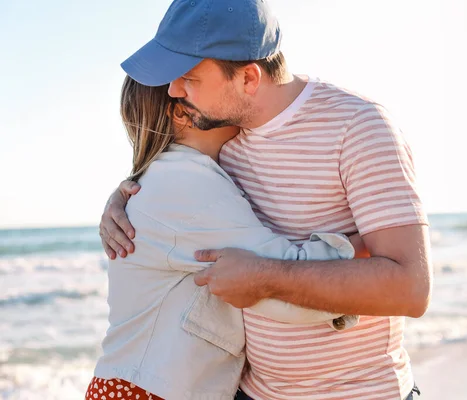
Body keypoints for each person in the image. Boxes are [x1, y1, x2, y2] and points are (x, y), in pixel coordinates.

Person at [100, 0, 432, 398]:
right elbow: (174, 191)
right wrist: (125, 194)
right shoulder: (224, 138)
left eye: (189, 77)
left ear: (249, 79)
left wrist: (265, 278)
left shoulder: (357, 127)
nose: (173, 91)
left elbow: (410, 289)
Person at [87, 76, 362, 400]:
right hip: (150, 391)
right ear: (181, 113)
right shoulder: (185, 183)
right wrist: (366, 245)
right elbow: (280, 283)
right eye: (201, 82)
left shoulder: (172, 177)